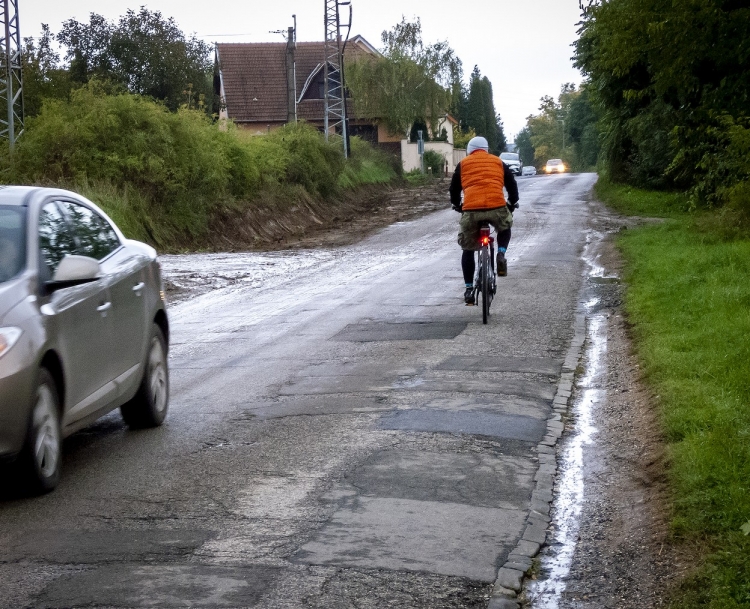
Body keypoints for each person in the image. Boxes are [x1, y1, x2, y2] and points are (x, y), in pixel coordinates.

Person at [449, 136, 519, 304]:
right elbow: (511, 185)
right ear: (486, 149)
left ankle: (468, 289)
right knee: (505, 226)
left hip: (471, 210)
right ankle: (501, 253)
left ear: (469, 149)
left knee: (467, 248)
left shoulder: (463, 164)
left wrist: (457, 204)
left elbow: (454, 189)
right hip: (497, 207)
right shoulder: (498, 162)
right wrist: (511, 203)